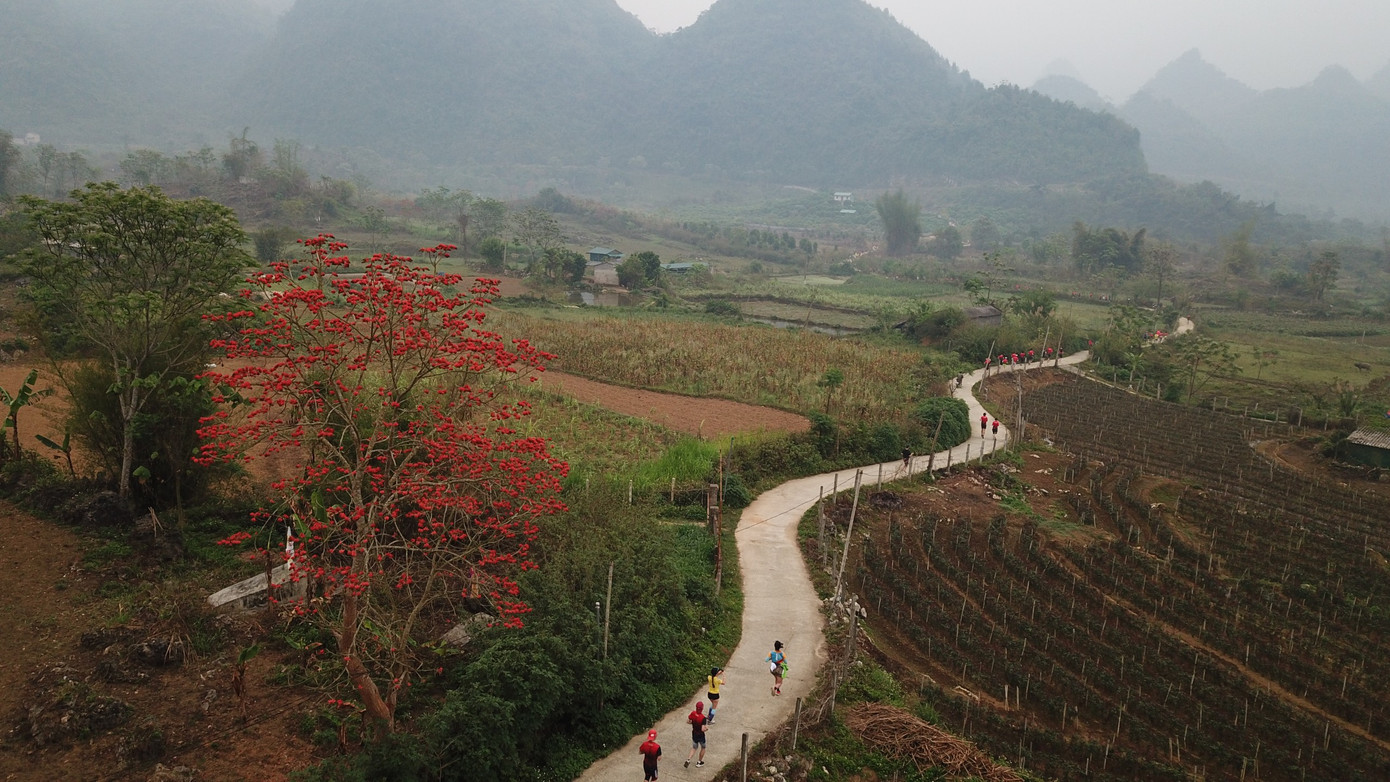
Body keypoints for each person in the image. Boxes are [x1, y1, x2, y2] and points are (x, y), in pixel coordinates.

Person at [684, 702, 708, 768]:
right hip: (700, 735)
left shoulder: (693, 713)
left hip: (694, 733)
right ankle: (699, 762)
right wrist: (706, 728)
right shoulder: (703, 718)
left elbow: (688, 721)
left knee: (694, 747)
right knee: (703, 747)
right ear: (702, 708)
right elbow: (702, 729)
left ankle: (688, 759)